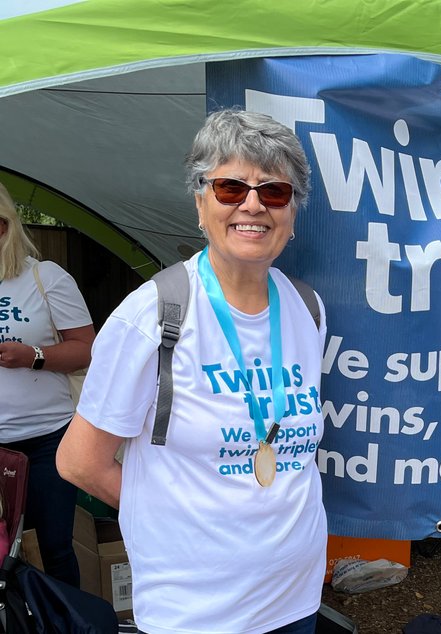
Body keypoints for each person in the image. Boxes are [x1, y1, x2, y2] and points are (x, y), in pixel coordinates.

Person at [57, 109, 328, 634]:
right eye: (230, 188)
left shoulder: (307, 308)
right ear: (201, 204)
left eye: (274, 192)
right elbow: (79, 463)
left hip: (296, 598)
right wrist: (176, 515)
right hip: (198, 612)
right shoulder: (153, 316)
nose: (252, 204)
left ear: (293, 213)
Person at [0, 184, 94, 587]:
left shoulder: (45, 277)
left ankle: (63, 620)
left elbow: (88, 350)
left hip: (48, 440)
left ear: (8, 225)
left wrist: (32, 356)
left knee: (54, 547)